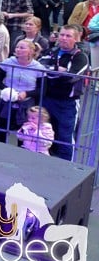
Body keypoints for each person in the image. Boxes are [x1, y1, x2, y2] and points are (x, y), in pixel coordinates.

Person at [32, 24, 89, 161]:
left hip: (66, 103)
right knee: (43, 134)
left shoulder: (80, 57)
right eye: (62, 35)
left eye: (68, 36)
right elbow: (40, 68)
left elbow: (71, 77)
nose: (63, 38)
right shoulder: (51, 51)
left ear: (76, 39)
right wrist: (59, 70)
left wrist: (53, 71)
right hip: (46, 99)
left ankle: (67, 169)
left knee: (65, 137)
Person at [0, 39, 45, 144]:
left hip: (26, 104)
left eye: (22, 48)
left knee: (23, 136)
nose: (18, 49)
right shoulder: (8, 62)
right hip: (8, 100)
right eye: (17, 47)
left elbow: (42, 89)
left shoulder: (39, 68)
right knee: (0, 131)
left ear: (31, 51)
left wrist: (27, 93)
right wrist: (7, 90)